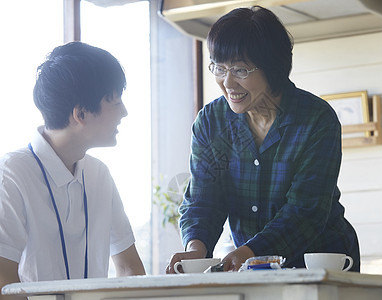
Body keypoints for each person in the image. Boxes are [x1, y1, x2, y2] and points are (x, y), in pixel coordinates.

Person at [166, 6, 360, 273]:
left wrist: (250, 252)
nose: (228, 83)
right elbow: (203, 200)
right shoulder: (212, 122)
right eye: (219, 68)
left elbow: (306, 210)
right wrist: (195, 250)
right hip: (253, 268)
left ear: (272, 67)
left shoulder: (316, 119)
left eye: (240, 70)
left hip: (322, 264)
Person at [0, 42, 145, 294]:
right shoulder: (11, 175)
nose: (124, 112)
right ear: (81, 114)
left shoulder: (99, 174)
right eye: (115, 101)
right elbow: (3, 282)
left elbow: (130, 269)